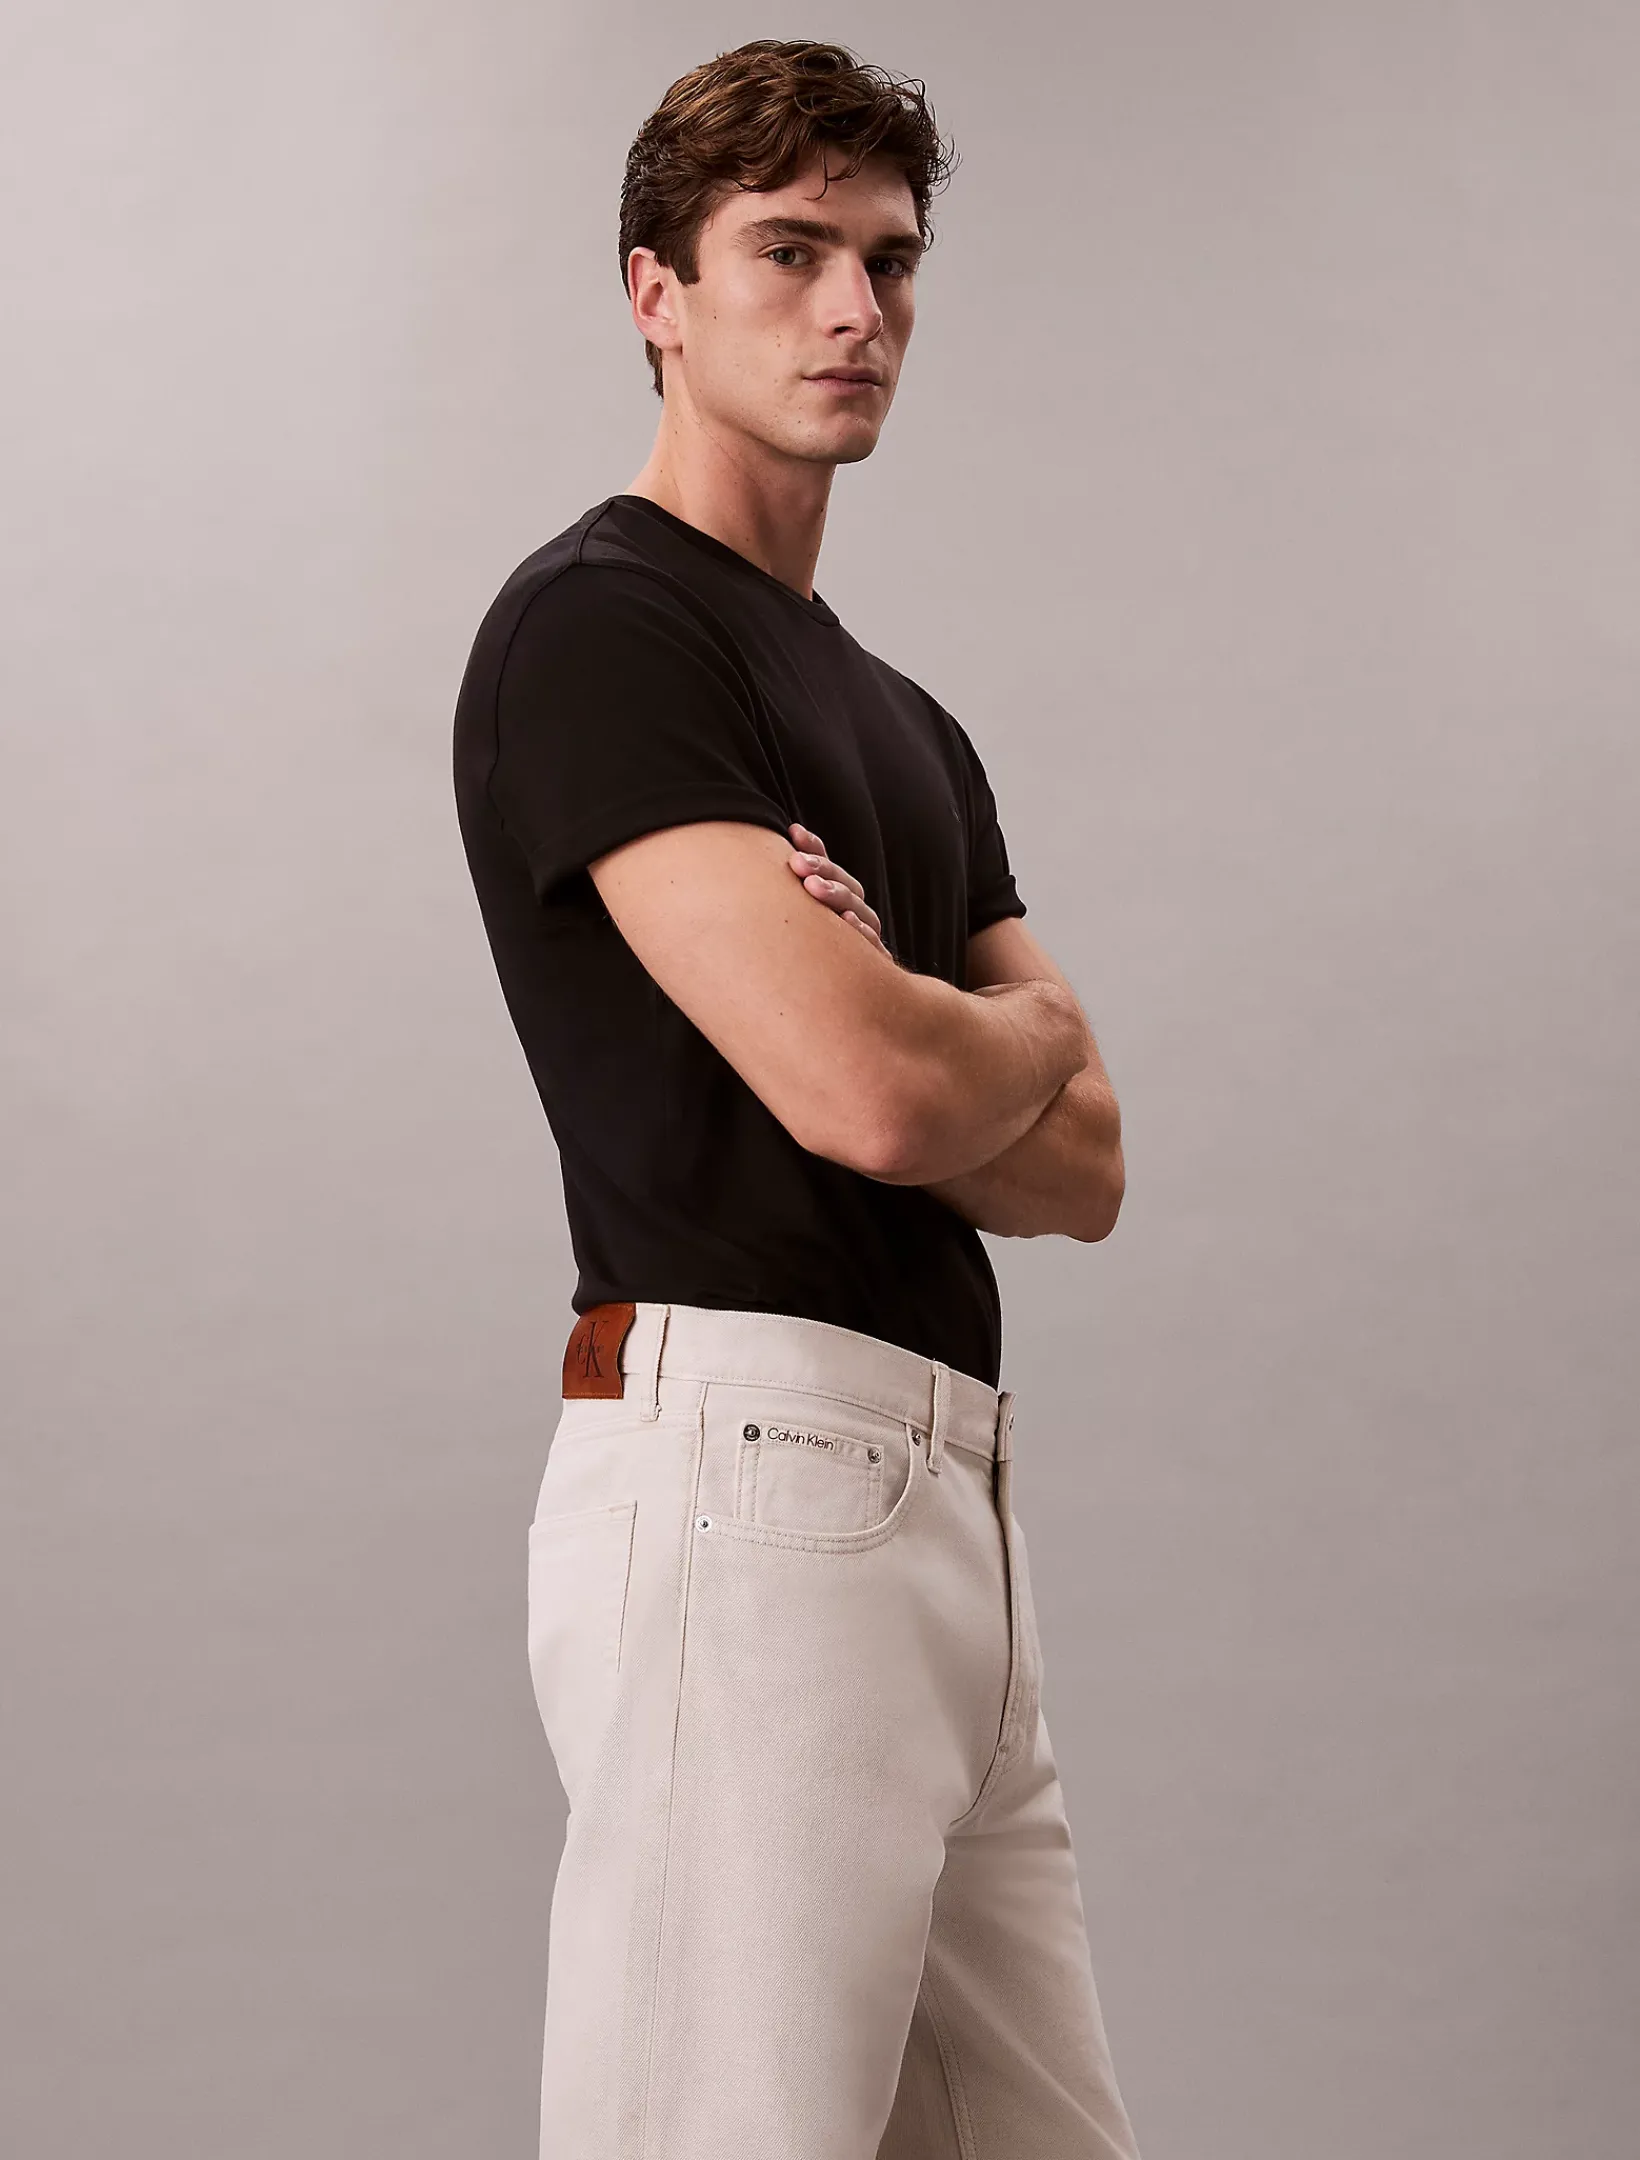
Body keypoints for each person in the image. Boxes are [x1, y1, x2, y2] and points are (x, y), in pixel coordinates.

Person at [451, 36, 1142, 2160]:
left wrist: (941, 1020)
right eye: (789, 252)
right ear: (656, 293)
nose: (856, 309)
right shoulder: (605, 632)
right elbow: (870, 1093)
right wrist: (980, 1024)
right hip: (748, 1478)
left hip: (952, 1513)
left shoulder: (906, 725)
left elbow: (1087, 1168)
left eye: (890, 261)